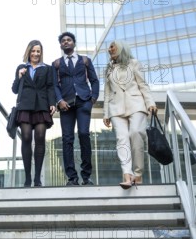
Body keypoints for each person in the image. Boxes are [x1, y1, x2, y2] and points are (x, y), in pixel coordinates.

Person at [103, 40, 157, 189]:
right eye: (109, 48)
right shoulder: (108, 69)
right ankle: (127, 175)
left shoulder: (134, 63)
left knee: (136, 133)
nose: (109, 49)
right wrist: (106, 113)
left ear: (121, 48)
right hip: (116, 108)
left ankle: (138, 174)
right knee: (122, 139)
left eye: (112, 47)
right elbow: (107, 93)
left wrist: (150, 102)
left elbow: (142, 84)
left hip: (136, 104)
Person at [53, 32, 99, 186]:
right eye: (63, 41)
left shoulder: (85, 60)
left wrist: (93, 98)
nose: (66, 42)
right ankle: (72, 177)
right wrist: (59, 100)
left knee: (84, 134)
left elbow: (94, 80)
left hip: (83, 101)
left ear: (74, 43)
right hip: (66, 104)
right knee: (67, 139)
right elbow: (54, 85)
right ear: (61, 45)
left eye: (69, 40)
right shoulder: (56, 64)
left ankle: (86, 176)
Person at [12, 40, 56, 187]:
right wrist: (19, 76)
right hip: (25, 106)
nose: (36, 54)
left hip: (41, 106)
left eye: (38, 51)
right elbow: (14, 89)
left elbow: (50, 87)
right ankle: (27, 177)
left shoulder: (47, 69)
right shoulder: (21, 67)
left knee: (40, 137)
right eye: (33, 51)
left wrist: (52, 103)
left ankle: (37, 177)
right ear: (28, 52)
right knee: (25, 137)